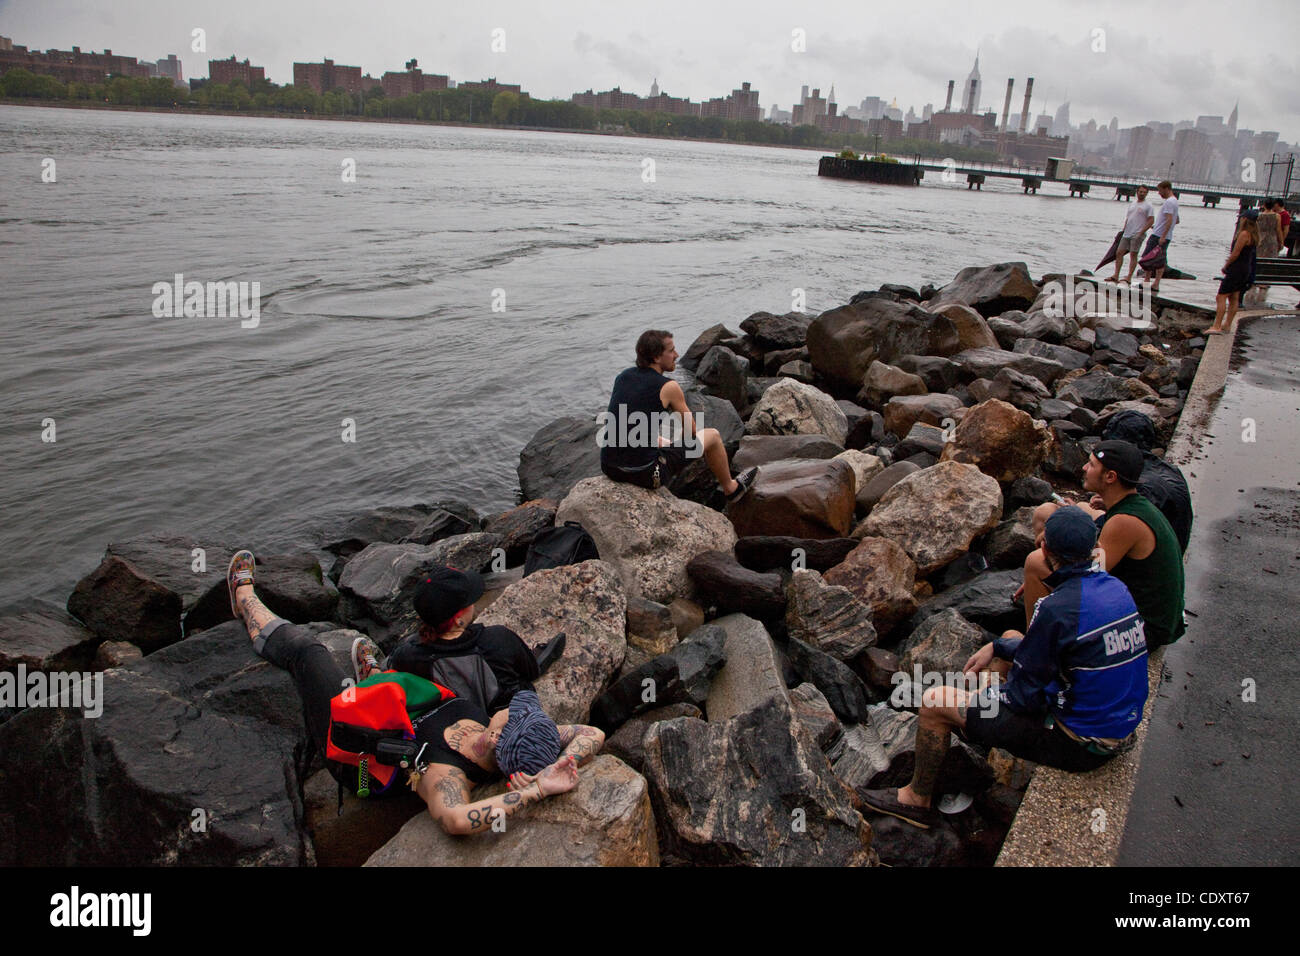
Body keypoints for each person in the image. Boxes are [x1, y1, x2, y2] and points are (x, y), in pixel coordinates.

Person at [226, 550, 604, 835]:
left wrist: (537, 790)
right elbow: (592, 733)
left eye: (511, 716)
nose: (507, 708)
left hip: (356, 759)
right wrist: (556, 765)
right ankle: (374, 676)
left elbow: (457, 820)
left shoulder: (447, 774)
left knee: (309, 654)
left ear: (496, 737)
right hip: (400, 714)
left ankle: (245, 601)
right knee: (396, 689)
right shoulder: (514, 733)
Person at [860, 507, 1149, 829]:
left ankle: (916, 800)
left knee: (935, 702)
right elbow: (1059, 654)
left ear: (1044, 549)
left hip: (1079, 745)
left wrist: (986, 697)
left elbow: (1025, 698)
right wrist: (999, 646)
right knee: (1010, 638)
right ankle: (981, 740)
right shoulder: (1115, 588)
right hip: (1120, 726)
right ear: (1092, 548)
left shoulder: (1056, 609)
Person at [1018, 441, 1185, 649]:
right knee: (1058, 510)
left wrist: (1049, 561)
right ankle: (1046, 601)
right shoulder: (1133, 504)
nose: (1084, 469)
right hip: (1134, 599)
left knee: (1035, 563)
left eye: (1091, 465)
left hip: (1142, 628)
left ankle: (1037, 649)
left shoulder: (1124, 522)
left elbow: (1088, 579)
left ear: (1110, 477)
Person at [600, 329, 756, 502]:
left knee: (656, 438)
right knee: (712, 436)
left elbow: (624, 424)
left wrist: (662, 443)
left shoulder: (623, 377)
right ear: (657, 357)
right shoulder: (669, 387)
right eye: (671, 351)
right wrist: (675, 449)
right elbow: (692, 433)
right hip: (646, 475)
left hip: (610, 468)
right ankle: (731, 489)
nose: (677, 354)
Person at [386, 566, 559, 715]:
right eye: (469, 601)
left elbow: (393, 669)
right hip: (505, 721)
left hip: (454, 727)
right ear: (457, 618)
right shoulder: (497, 639)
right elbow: (532, 671)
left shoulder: (408, 655)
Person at [1098, 410, 1193, 553]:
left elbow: (1101, 553)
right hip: (1174, 549)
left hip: (1150, 561)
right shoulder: (1171, 470)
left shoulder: (1137, 484)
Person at [1206, 209, 1259, 335]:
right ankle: (1227, 325)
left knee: (1221, 296)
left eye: (1241, 217)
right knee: (1234, 297)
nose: (1240, 219)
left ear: (1245, 219)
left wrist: (1226, 265)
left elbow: (1236, 253)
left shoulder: (1244, 234)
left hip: (1236, 268)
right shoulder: (1254, 235)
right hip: (1245, 269)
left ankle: (1217, 325)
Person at [1107, 184, 1155, 284]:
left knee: (1133, 254)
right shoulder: (1133, 203)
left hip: (1137, 233)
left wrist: (1141, 232)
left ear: (1147, 194)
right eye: (1140, 192)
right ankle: (1116, 275)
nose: (1142, 194)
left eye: (1144, 192)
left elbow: (1151, 220)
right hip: (1127, 233)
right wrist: (1123, 230)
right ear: (1137, 192)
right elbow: (1128, 218)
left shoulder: (1148, 206)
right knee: (1119, 253)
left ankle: (1129, 277)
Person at [1140, 181, 1179, 295]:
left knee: (1148, 257)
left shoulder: (1169, 202)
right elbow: (1176, 220)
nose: (1159, 193)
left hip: (1159, 236)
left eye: (1160, 190)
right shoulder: (1175, 201)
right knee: (1159, 259)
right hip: (1164, 234)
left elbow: (1170, 219)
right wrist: (1159, 226)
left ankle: (1149, 281)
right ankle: (1154, 283)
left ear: (1166, 189)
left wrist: (1162, 234)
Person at [1246, 200, 1284, 307]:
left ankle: (1253, 284)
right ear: (1273, 206)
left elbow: (1255, 229)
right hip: (1271, 241)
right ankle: (1263, 287)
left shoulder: (1259, 216)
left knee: (1257, 262)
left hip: (1260, 240)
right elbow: (1278, 230)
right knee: (1269, 264)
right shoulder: (1277, 216)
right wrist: (1281, 242)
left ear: (1264, 205)